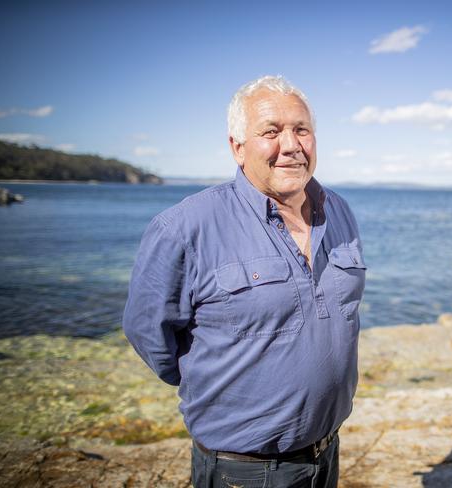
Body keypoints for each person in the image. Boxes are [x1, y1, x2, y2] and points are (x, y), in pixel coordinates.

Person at [123, 75, 366, 488]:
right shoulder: (185, 227)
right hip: (243, 470)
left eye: (301, 129)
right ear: (237, 147)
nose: (291, 145)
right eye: (270, 132)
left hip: (326, 454)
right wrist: (217, 384)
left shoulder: (338, 210)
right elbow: (149, 333)